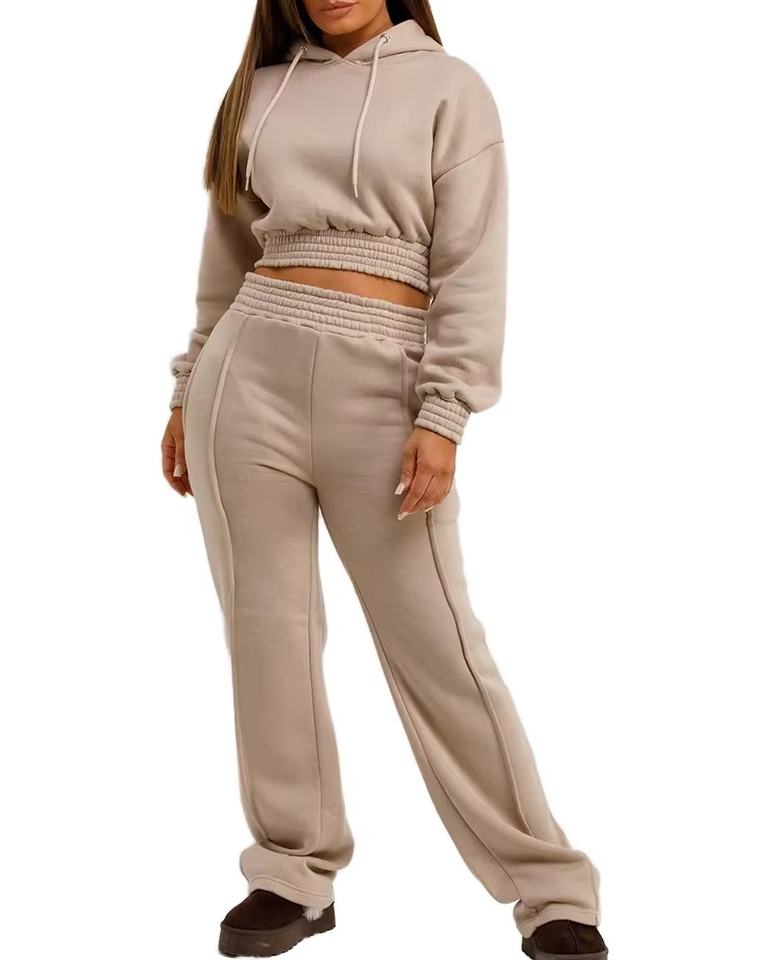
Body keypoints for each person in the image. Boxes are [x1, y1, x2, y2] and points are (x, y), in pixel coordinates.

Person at [160, 2, 608, 957]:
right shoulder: (258, 93)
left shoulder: (450, 88)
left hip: (386, 388)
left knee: (438, 643)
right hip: (247, 377)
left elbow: (473, 264)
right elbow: (225, 259)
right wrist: (187, 387)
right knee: (267, 634)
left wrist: (445, 412)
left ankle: (551, 886)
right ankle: (292, 872)